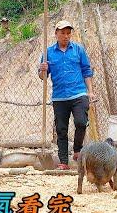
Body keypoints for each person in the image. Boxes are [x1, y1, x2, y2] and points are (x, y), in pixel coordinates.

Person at [38, 20, 97, 169]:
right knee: (61, 129)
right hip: (59, 96)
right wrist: (43, 69)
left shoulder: (78, 50)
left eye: (68, 33)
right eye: (62, 33)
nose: (65, 36)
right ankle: (63, 161)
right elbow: (42, 77)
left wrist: (90, 91)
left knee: (81, 122)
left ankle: (77, 150)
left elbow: (86, 71)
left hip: (78, 93)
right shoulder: (48, 53)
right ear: (56, 34)